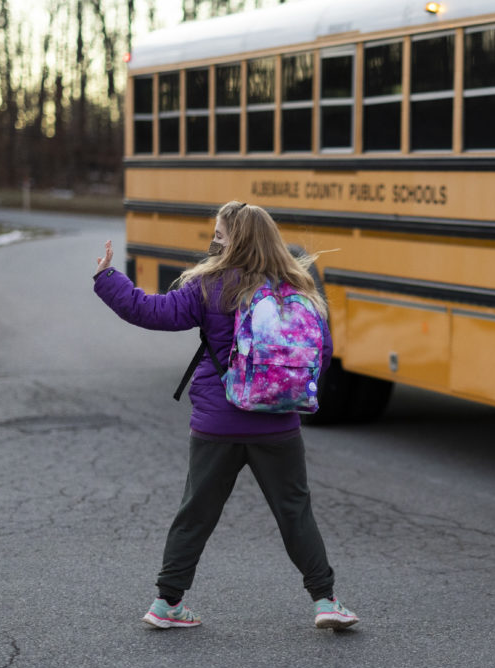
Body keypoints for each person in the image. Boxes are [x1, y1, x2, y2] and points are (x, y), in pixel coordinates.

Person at [92, 200, 357, 631]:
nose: (213, 238)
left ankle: (166, 604)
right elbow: (320, 354)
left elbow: (149, 311)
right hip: (278, 423)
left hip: (217, 421)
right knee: (294, 510)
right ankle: (325, 600)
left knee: (196, 512)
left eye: (218, 231)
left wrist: (107, 278)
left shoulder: (210, 286)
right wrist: (284, 393)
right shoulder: (296, 287)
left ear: (230, 238)